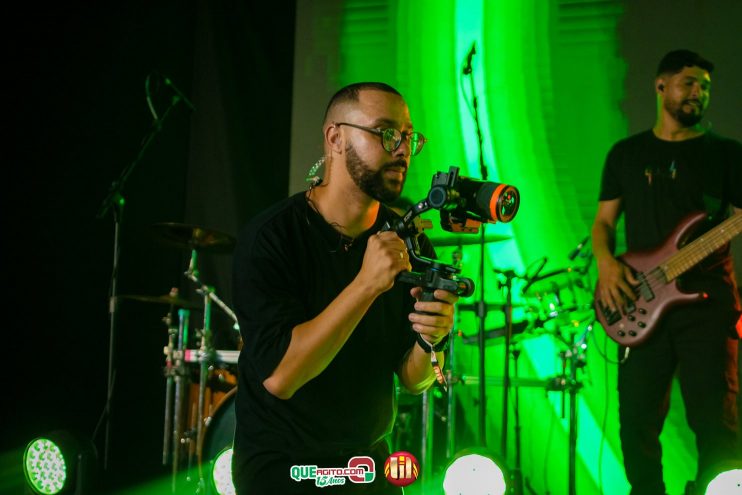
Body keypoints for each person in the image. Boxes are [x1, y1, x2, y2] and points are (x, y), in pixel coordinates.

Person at [231, 82, 458, 494]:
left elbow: (413, 380)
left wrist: (431, 339)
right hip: (283, 468)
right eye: (386, 133)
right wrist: (367, 283)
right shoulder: (272, 237)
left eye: (409, 137)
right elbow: (281, 377)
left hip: (367, 465)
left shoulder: (408, 241)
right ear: (335, 138)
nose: (402, 148)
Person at [592, 49, 741, 495]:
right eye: (690, 83)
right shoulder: (626, 154)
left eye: (706, 87)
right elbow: (603, 224)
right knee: (636, 426)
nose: (699, 93)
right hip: (638, 298)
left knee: (716, 423)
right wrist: (606, 265)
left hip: (708, 307)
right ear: (662, 87)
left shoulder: (727, 155)